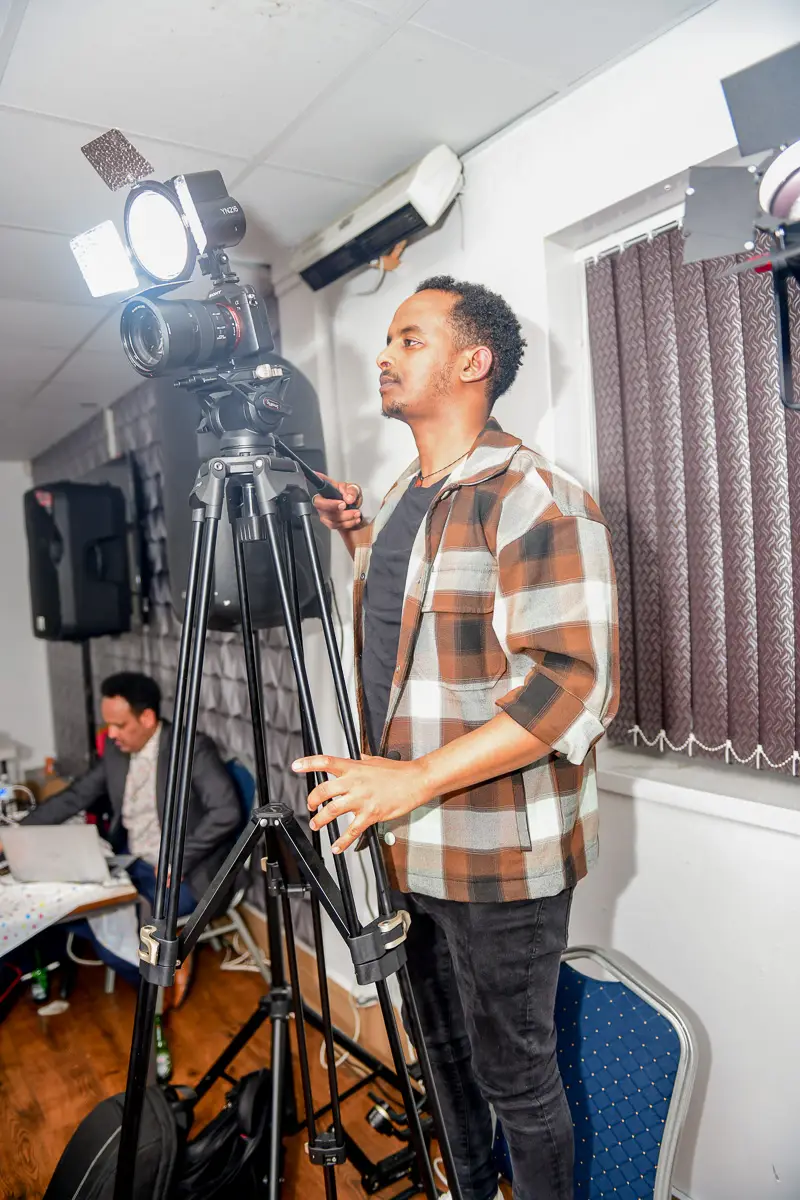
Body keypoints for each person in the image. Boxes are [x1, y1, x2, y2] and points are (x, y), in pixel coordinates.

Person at [294, 276, 619, 1200]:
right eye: (388, 340)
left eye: (410, 338)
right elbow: (420, 638)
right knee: (440, 1055)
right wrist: (359, 537)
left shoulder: (538, 496)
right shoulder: (406, 494)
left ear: (473, 362)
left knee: (517, 1079)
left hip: (499, 857)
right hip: (405, 842)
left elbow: (573, 685)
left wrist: (413, 778)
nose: (384, 355)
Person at [24, 671, 242, 997]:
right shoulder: (116, 750)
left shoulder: (191, 749)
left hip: (185, 872)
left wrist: (178, 860)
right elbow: (77, 795)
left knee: (118, 925)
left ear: (147, 718)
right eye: (108, 724)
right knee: (64, 908)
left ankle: (159, 983)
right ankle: (160, 970)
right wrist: (20, 831)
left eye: (119, 725)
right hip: (132, 857)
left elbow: (226, 812)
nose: (110, 734)